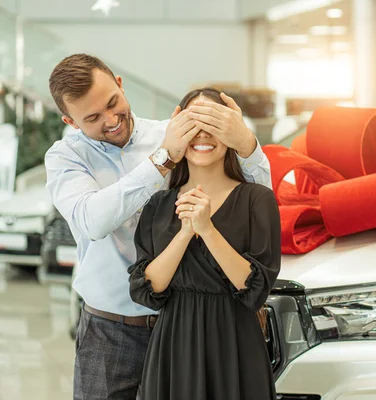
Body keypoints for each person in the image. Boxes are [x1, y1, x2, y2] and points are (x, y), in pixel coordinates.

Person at [44, 54, 272, 399]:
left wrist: (246, 143)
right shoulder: (66, 158)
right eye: (92, 117)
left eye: (113, 103)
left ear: (120, 84)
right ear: (70, 121)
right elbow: (92, 220)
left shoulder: (171, 131)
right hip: (111, 330)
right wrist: (162, 160)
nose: (111, 120)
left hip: (186, 327)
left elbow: (255, 197)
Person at [128, 88, 280, 400]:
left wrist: (207, 229)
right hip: (174, 343)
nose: (203, 135)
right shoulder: (158, 203)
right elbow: (148, 288)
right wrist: (184, 233)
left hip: (235, 342)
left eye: (213, 124)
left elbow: (255, 288)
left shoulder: (257, 199)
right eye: (193, 124)